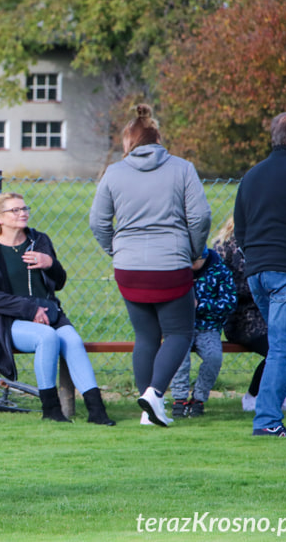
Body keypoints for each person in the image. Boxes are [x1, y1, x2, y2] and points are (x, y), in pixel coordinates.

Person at [89, 103, 212, 427]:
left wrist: (116, 251)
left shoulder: (114, 172)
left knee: (145, 337)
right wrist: (195, 251)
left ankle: (149, 411)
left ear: (129, 141)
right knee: (179, 334)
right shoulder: (182, 168)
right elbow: (200, 217)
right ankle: (156, 394)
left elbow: (97, 221)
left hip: (129, 268)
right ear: (158, 138)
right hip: (171, 265)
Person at [0, 192, 115, 425]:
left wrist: (50, 264)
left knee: (72, 340)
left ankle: (97, 410)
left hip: (49, 314)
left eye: (25, 208)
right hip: (8, 321)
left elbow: (58, 282)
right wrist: (29, 310)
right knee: (47, 338)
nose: (23, 213)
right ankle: (51, 409)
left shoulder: (39, 240)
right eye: (15, 210)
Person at [234, 111, 286, 438]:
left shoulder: (251, 176)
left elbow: (241, 230)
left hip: (258, 273)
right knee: (285, 347)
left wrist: (259, 259)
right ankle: (266, 420)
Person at [213, 217, 286, 414]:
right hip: (244, 319)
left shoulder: (275, 243)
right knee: (283, 346)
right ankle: (255, 395)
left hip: (275, 311)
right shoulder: (226, 246)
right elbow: (225, 288)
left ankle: (281, 394)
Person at [170, 246, 236, 417]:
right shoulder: (177, 270)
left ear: (204, 258)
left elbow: (229, 303)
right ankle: (179, 398)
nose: (190, 266)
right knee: (179, 356)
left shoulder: (220, 272)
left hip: (208, 327)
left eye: (193, 262)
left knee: (213, 357)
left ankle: (199, 398)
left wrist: (201, 305)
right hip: (180, 326)